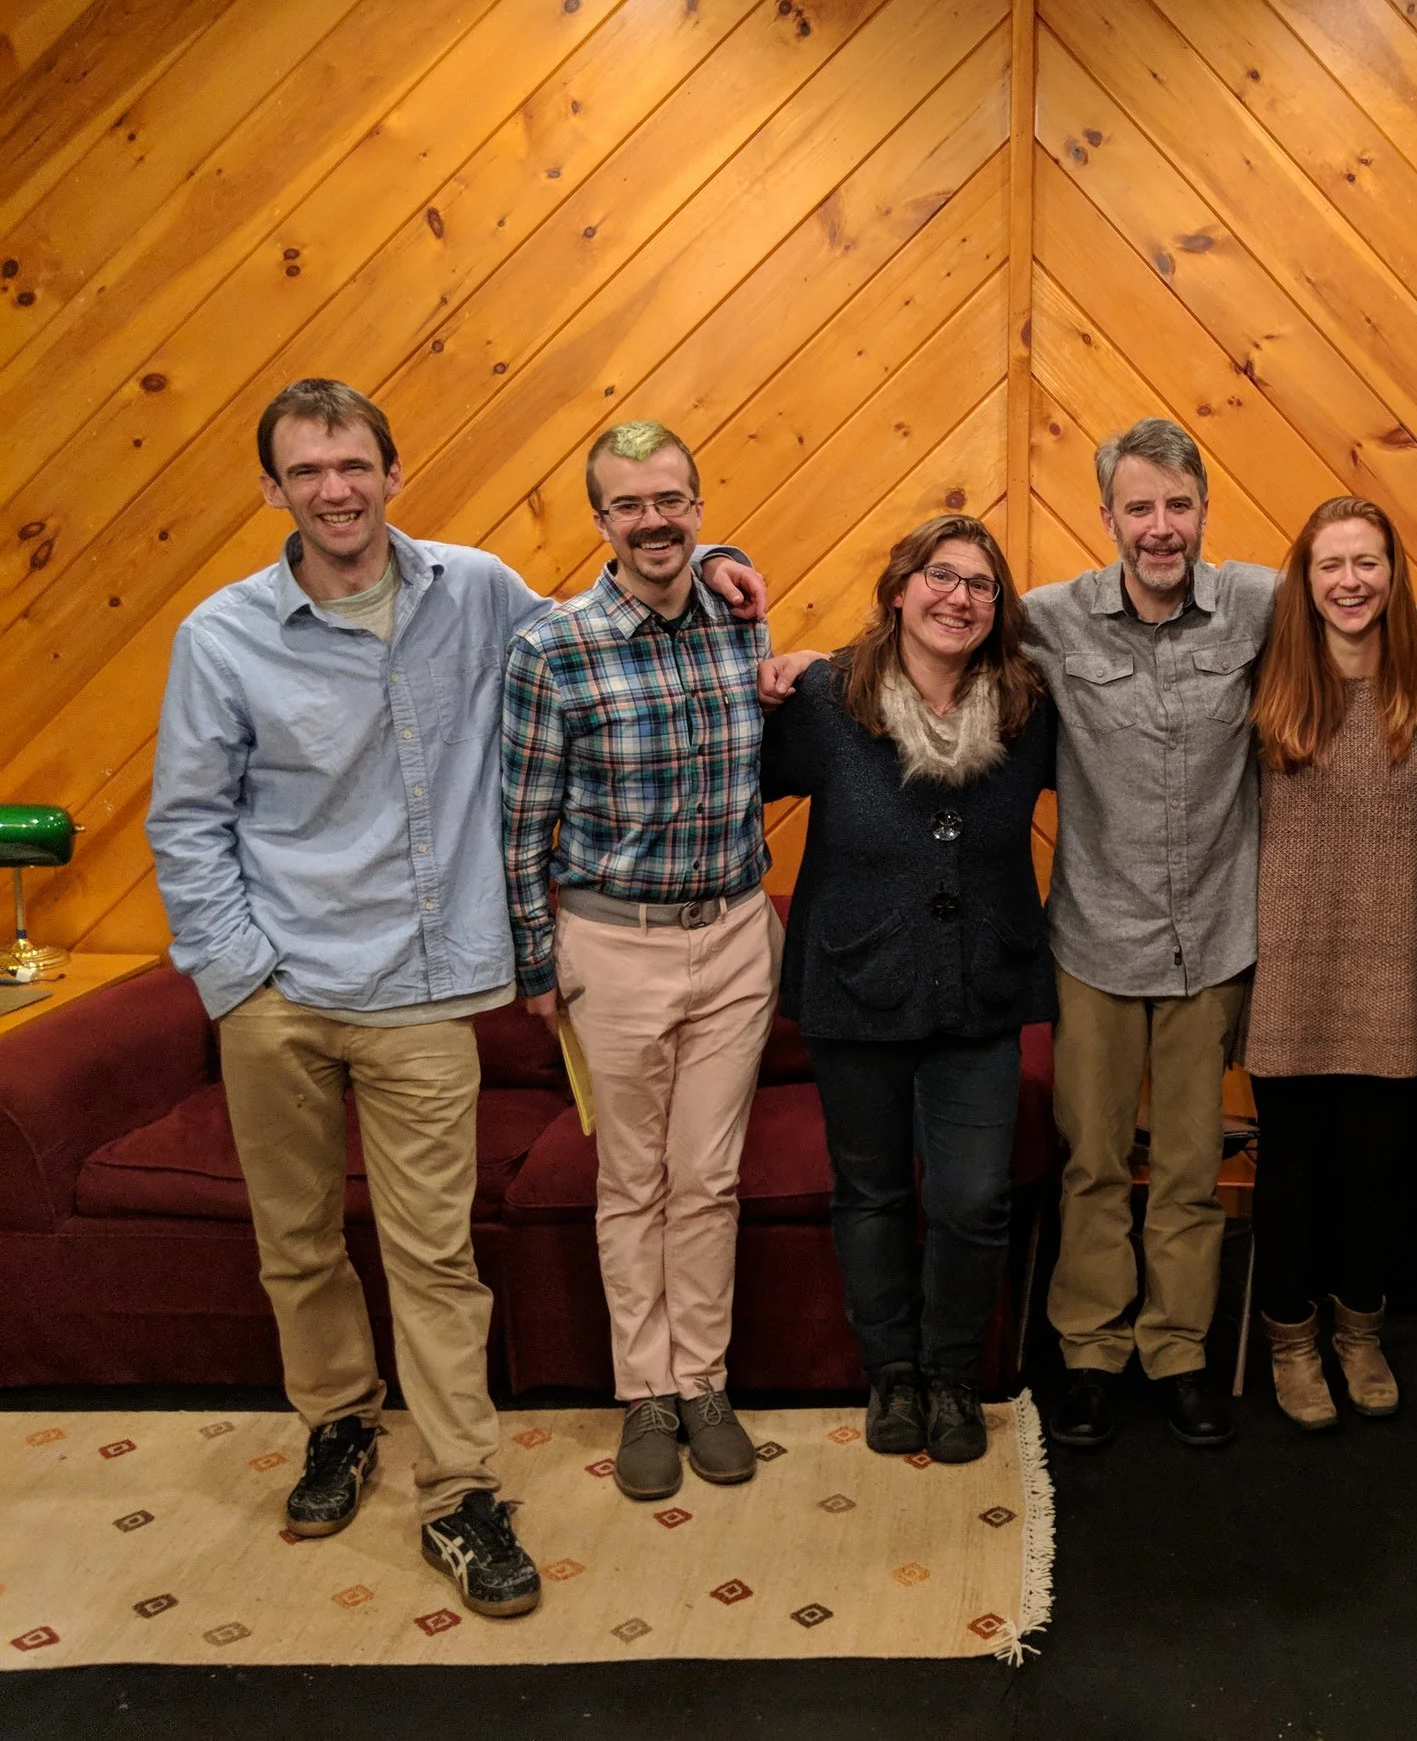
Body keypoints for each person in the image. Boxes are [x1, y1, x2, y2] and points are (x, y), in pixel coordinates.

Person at [148, 379, 762, 1617]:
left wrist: (726, 559)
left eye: (354, 465)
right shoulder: (223, 636)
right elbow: (188, 820)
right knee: (299, 1243)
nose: (335, 489)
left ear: (391, 471)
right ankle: (335, 1425)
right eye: (309, 471)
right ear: (275, 489)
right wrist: (242, 976)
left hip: (424, 990)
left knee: (435, 1255)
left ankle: (460, 1493)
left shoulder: (475, 593)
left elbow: (627, 602)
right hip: (279, 989)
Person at [1022, 417, 1417, 1453]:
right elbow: (936, 617)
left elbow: (1399, 603)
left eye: (1176, 505)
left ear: (1201, 511)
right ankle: (1092, 1356)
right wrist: (797, 653)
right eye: (1137, 507)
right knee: (1094, 1162)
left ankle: (1178, 1353)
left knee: (1188, 1166)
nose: (1158, 526)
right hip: (1095, 936)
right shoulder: (1049, 618)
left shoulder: (1256, 603)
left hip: (1215, 941)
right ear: (1106, 518)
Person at [503, 420, 781, 1503]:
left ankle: (704, 1383)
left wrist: (731, 571)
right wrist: (536, 963)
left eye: (672, 499)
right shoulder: (552, 647)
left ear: (700, 506)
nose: (654, 520)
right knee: (633, 1178)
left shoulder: (738, 621)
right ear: (601, 523)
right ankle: (645, 1396)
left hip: (735, 935)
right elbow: (522, 821)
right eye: (629, 505)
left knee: (709, 1176)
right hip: (610, 944)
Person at [759, 516, 1056, 1466]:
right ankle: (891, 1373)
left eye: (980, 585)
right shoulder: (825, 696)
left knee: (973, 1199)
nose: (958, 597)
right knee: (874, 1190)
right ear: (899, 589)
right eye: (940, 576)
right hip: (857, 978)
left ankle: (951, 1373)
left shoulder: (1027, 704)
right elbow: (732, 770)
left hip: (983, 984)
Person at [1241, 495, 1417, 1430]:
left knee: (1378, 1168)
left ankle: (1359, 1333)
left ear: (1395, 575)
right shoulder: (1267, 680)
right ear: (1305, 579)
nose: (1351, 581)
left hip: (1396, 959)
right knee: (1290, 1167)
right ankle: (1289, 1341)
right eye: (1332, 564)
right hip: (1290, 959)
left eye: (1368, 562)